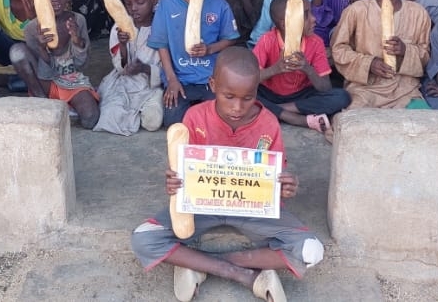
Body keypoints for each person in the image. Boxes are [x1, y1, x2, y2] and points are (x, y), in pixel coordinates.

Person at [130, 47, 323, 302]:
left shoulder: (268, 123)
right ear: (212, 85)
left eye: (248, 98)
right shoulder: (195, 117)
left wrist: (285, 184)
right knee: (143, 238)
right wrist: (175, 182)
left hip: (252, 209)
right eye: (229, 96)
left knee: (312, 251)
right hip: (201, 206)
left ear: (257, 91)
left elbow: (276, 174)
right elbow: (182, 169)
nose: (237, 107)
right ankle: (241, 274)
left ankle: (204, 264)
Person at [149, 0, 240, 126]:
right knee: (173, 122)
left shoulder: (219, 3)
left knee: (220, 120)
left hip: (210, 78)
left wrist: (210, 49)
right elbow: (161, 45)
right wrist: (172, 80)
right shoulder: (167, 5)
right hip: (180, 78)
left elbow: (230, 39)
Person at [331, 0, 431, 109]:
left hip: (405, 89)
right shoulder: (357, 10)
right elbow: (338, 49)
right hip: (365, 89)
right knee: (355, 119)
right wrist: (369, 64)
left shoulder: (419, 13)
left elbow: (425, 55)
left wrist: (405, 50)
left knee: (422, 120)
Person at [10, 0, 100, 128]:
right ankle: (42, 102)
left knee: (90, 119)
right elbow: (43, 74)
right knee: (17, 52)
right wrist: (42, 48)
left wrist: (77, 41)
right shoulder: (33, 28)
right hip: (45, 83)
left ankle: (65, 107)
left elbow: (81, 65)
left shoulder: (78, 21)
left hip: (71, 81)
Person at [254, 0, 350, 135]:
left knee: (342, 97)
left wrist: (307, 68)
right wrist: (276, 69)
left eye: (310, 12)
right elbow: (251, 78)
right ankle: (296, 118)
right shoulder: (267, 40)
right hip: (270, 94)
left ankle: (275, 110)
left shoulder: (316, 42)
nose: (314, 18)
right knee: (243, 91)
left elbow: (325, 87)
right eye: (305, 15)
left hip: (300, 97)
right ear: (285, 24)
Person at [94, 0, 163, 135]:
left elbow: (167, 68)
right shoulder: (118, 27)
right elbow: (121, 67)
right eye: (128, 3)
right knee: (109, 116)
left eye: (140, 2)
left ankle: (137, 113)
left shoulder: (161, 27)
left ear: (153, 1)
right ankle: (130, 113)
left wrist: (144, 68)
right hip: (124, 83)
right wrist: (123, 45)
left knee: (153, 121)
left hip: (151, 87)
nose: (133, 8)